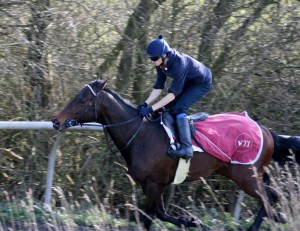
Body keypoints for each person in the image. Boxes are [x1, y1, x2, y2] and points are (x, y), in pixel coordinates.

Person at [138, 34, 212, 159]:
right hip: (187, 81)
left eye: (154, 58)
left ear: (164, 55)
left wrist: (151, 109)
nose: (152, 61)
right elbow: (158, 87)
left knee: (178, 109)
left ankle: (187, 148)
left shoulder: (179, 64)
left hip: (201, 83)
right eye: (150, 58)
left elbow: (172, 94)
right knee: (167, 108)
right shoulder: (160, 64)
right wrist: (146, 103)